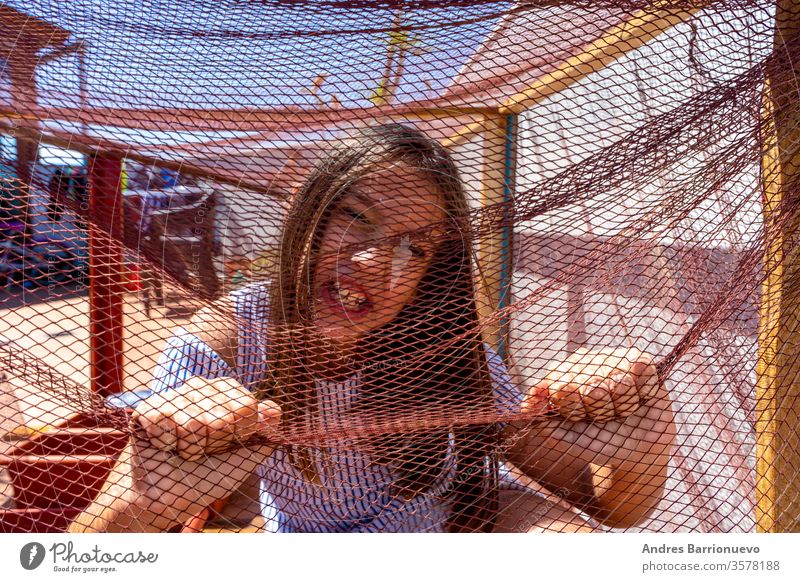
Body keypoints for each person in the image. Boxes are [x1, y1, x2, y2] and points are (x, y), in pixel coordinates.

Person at [69, 124, 675, 533]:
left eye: (415, 248)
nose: (374, 265)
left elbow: (613, 508)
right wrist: (145, 503)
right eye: (356, 218)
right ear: (308, 216)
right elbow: (81, 553)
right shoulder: (232, 335)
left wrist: (640, 445)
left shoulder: (445, 349)